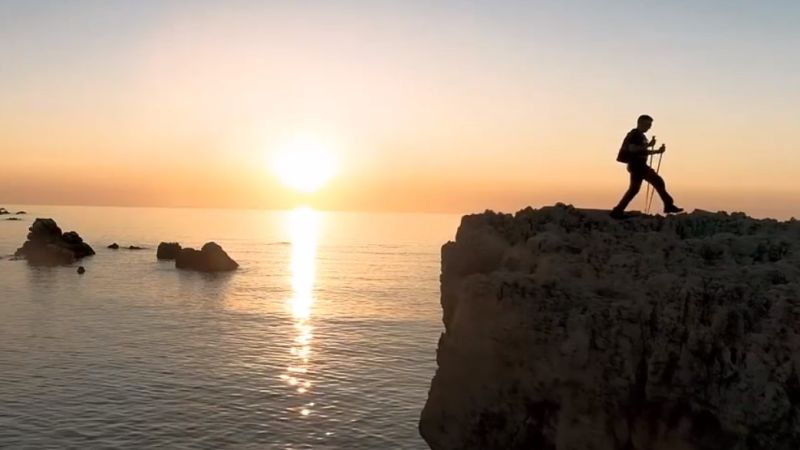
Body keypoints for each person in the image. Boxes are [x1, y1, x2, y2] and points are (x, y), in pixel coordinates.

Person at [611, 115, 683, 219]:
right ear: (640, 123)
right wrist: (653, 149)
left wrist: (653, 149)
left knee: (634, 189)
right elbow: (633, 149)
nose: (649, 127)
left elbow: (640, 149)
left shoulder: (640, 135)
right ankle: (669, 205)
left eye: (650, 125)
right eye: (648, 124)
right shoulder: (635, 134)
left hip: (637, 165)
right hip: (638, 166)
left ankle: (617, 211)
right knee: (657, 181)